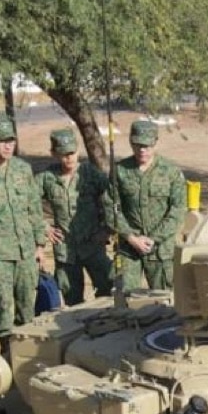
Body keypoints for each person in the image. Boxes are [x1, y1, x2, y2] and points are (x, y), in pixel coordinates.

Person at [0, 116, 49, 356]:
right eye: (1, 141)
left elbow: (34, 207)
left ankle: (28, 355)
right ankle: (7, 353)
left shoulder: (23, 169)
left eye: (11, 140)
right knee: (4, 306)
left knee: (27, 305)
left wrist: (40, 244)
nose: (7, 146)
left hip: (26, 250)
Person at [104, 118, 188, 291]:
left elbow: (178, 211)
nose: (142, 150)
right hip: (128, 249)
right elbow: (111, 207)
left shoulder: (171, 172)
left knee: (166, 300)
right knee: (124, 297)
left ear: (156, 143)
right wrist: (131, 237)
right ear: (131, 143)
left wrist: (153, 239)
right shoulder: (119, 171)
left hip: (160, 250)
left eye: (147, 146)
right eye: (138, 145)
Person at [40, 128, 112, 305]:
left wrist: (107, 229)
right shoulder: (46, 178)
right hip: (66, 250)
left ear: (78, 150)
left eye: (72, 153)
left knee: (108, 290)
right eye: (63, 154)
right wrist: (44, 227)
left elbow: (114, 199)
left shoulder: (91, 174)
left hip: (93, 245)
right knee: (72, 298)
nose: (69, 158)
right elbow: (26, 204)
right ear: (54, 154)